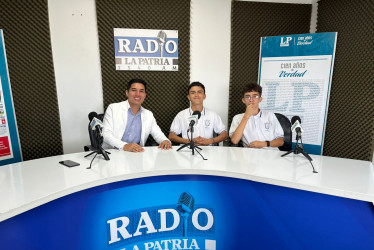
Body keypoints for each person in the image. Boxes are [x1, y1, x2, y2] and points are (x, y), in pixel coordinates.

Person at [102, 78, 172, 152]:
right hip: (114, 152)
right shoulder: (113, 108)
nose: (137, 94)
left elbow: (158, 134)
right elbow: (106, 134)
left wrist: (165, 141)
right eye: (134, 90)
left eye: (141, 91)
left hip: (137, 154)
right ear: (127, 92)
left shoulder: (148, 114)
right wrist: (124, 146)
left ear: (145, 95)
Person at [169, 81, 228, 146]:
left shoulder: (212, 115)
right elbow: (171, 136)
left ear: (204, 96)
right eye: (193, 93)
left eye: (199, 92)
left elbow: (224, 135)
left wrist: (210, 141)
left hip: (208, 151)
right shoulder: (181, 115)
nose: (196, 95)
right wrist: (189, 141)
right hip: (187, 150)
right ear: (189, 97)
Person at [229, 83, 284, 149]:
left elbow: (281, 141)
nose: (251, 99)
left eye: (255, 96)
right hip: (250, 154)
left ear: (260, 99)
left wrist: (264, 144)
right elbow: (235, 141)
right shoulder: (237, 118)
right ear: (243, 100)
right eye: (247, 96)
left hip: (270, 153)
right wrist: (246, 116)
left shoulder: (270, 115)